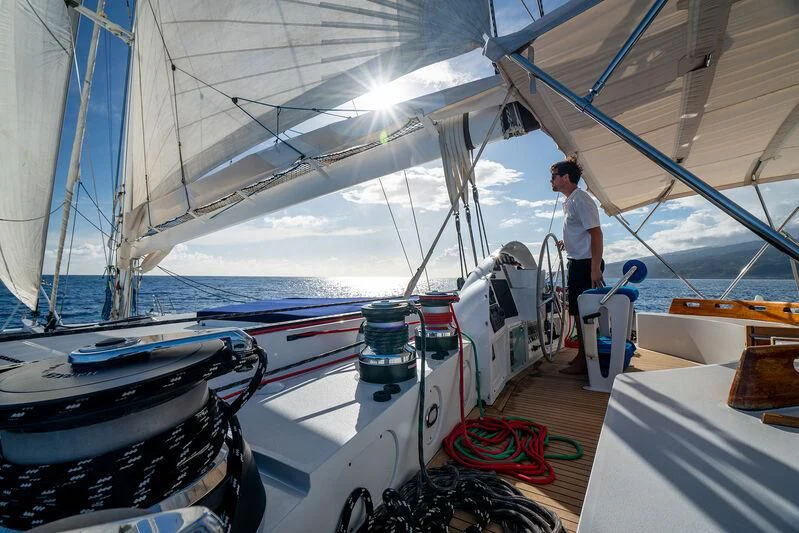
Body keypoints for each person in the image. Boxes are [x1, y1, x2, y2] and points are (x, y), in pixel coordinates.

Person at [548, 157, 604, 375]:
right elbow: (581, 231)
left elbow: (596, 233)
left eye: (553, 177)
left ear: (565, 178)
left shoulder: (581, 199)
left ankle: (585, 360)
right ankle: (582, 355)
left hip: (585, 265)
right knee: (579, 312)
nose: (550, 181)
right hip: (578, 263)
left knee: (583, 313)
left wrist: (595, 267)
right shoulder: (571, 201)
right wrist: (567, 242)